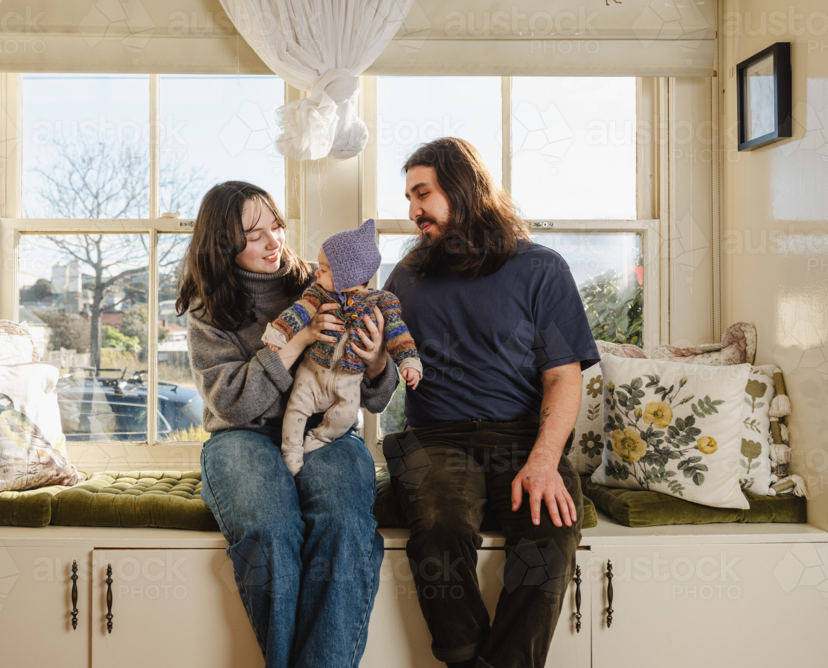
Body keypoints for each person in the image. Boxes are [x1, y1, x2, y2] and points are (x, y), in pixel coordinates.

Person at [381, 137, 600, 668]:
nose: (413, 211)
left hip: (524, 437)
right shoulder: (405, 279)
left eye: (422, 194)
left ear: (462, 188)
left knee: (550, 533)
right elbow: (373, 376)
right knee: (437, 525)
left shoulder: (541, 269)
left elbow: (563, 379)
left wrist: (546, 460)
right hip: (433, 440)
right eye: (409, 197)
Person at [176, 180, 398, 668]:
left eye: (275, 225)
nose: (274, 240)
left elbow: (376, 399)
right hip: (241, 436)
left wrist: (379, 361)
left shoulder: (321, 283)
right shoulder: (208, 310)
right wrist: (296, 343)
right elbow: (233, 402)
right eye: (254, 235)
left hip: (325, 431)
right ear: (221, 243)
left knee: (344, 526)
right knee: (270, 529)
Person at [263, 218, 423, 475]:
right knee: (295, 410)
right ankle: (290, 453)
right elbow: (298, 313)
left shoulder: (381, 302)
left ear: (347, 277)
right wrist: (280, 332)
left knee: (347, 416)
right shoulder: (317, 294)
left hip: (349, 379)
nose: (317, 273)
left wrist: (408, 361)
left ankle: (318, 438)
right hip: (312, 374)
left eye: (324, 270)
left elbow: (397, 332)